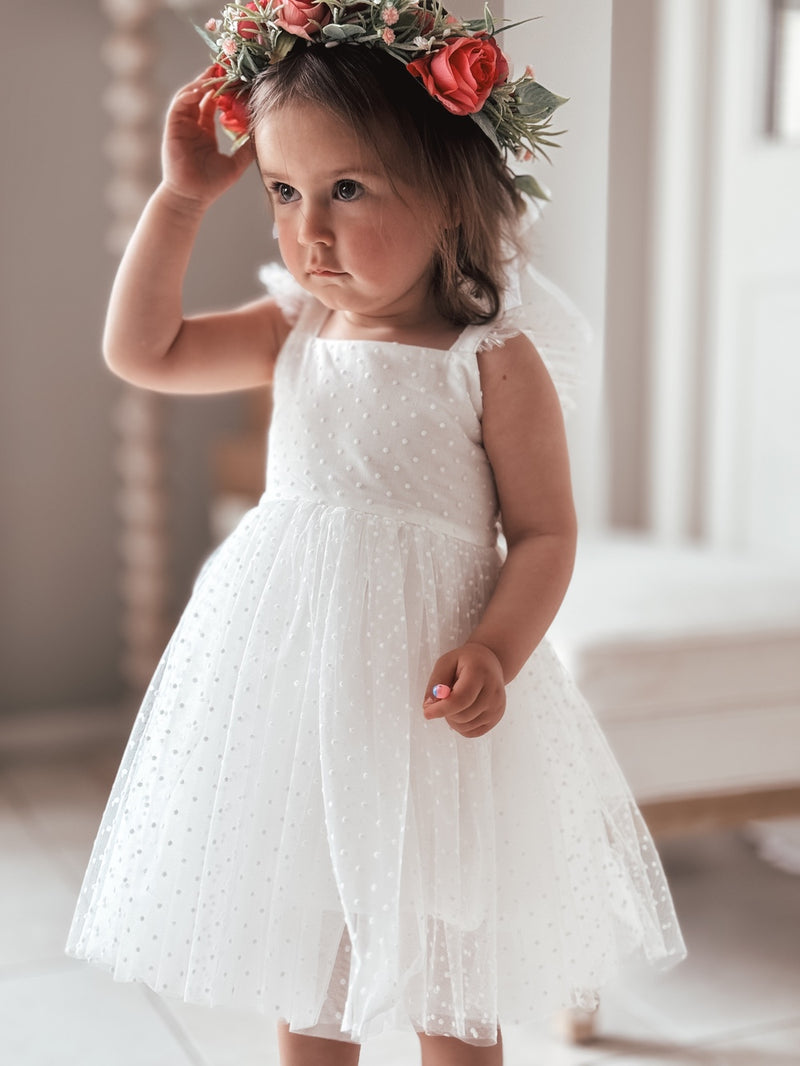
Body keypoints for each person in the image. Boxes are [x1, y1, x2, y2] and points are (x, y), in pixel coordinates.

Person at [66, 3, 686, 1063]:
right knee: (316, 966)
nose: (308, 229)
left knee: (450, 976)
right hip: (302, 697)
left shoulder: (491, 358)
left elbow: (542, 532)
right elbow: (146, 349)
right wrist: (180, 199)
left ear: (451, 191)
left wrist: (496, 648)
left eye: (346, 190)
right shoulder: (294, 323)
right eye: (282, 191)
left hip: (431, 712)